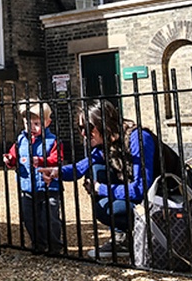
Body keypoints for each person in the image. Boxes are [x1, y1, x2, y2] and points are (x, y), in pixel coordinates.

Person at [39, 99, 157, 258]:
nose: (83, 133)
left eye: (87, 128)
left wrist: (99, 188)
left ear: (104, 125)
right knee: (96, 171)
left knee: (111, 207)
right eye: (80, 128)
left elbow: (140, 189)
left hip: (164, 197)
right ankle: (125, 238)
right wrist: (56, 172)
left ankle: (151, 233)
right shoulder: (106, 144)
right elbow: (80, 168)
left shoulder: (138, 138)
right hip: (142, 195)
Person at [3, 100, 63, 254]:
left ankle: (55, 246)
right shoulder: (21, 140)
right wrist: (10, 159)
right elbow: (14, 157)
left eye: (36, 123)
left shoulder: (53, 140)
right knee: (29, 219)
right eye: (28, 123)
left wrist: (43, 160)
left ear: (47, 122)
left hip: (49, 187)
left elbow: (58, 159)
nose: (32, 127)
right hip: (27, 187)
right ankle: (38, 244)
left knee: (50, 219)